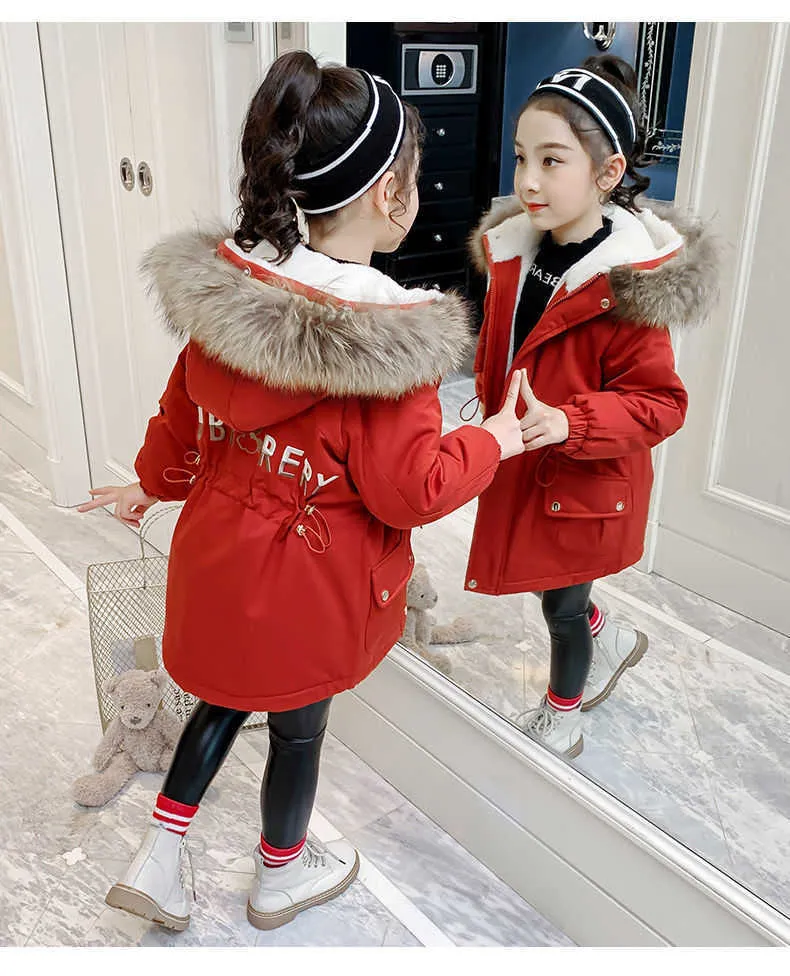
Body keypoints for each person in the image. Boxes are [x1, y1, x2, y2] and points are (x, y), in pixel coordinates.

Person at [77, 51, 528, 932]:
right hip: (309, 595)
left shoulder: (229, 302)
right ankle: (280, 872)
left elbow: (180, 420)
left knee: (220, 699)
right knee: (296, 731)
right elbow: (411, 491)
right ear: (390, 194)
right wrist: (495, 438)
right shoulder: (384, 344)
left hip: (214, 569)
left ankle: (160, 854)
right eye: (413, 175)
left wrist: (149, 486)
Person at [463, 55, 720, 758]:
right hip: (530, 462)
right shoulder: (517, 253)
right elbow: (507, 348)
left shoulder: (625, 290)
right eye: (522, 157)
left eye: (552, 161)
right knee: (547, 583)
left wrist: (570, 421)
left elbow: (660, 404)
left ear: (607, 174)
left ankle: (564, 715)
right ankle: (610, 639)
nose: (527, 181)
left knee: (562, 604)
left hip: (584, 481)